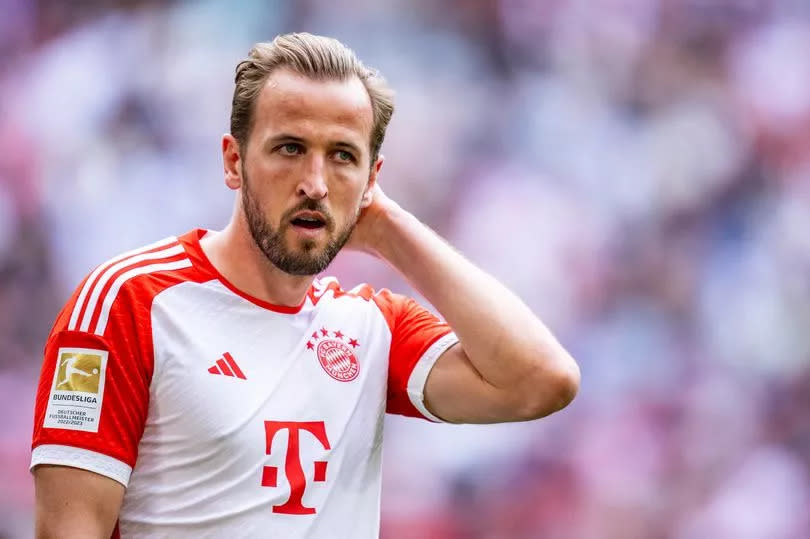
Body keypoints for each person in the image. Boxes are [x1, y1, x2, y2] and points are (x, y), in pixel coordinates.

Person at [30, 32, 580, 538]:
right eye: (290, 148)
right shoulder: (130, 301)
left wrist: (391, 232)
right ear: (234, 161)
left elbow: (541, 380)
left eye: (343, 157)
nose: (315, 184)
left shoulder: (369, 330)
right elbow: (67, 530)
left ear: (371, 179)